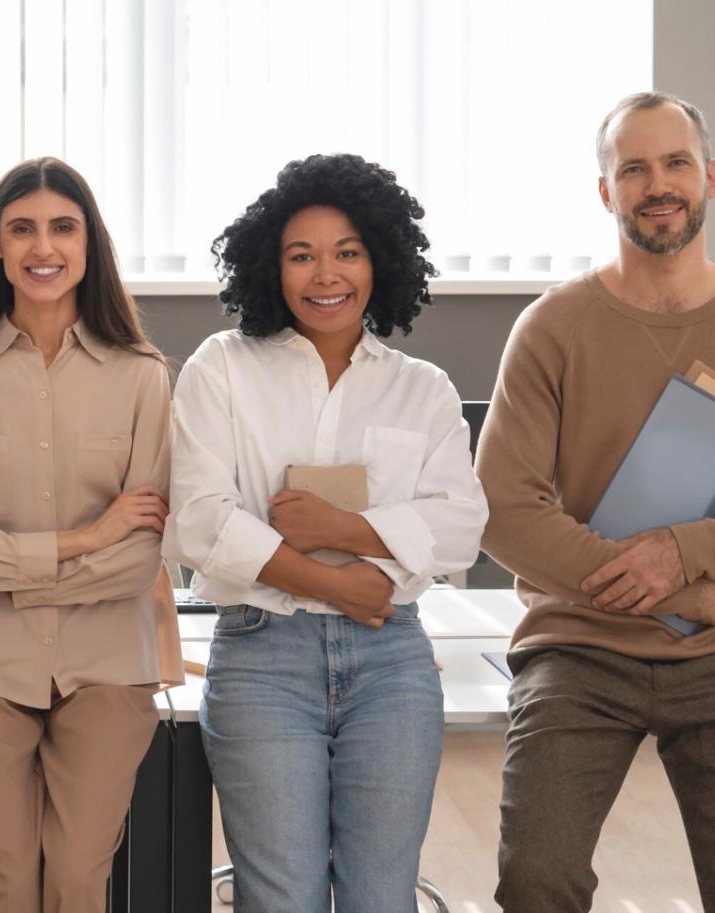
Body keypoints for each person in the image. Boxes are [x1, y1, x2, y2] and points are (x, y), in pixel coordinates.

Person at [476, 92, 715, 912]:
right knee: (535, 879)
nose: (657, 185)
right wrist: (672, 587)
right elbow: (503, 510)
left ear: (710, 177)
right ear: (605, 191)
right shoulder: (551, 326)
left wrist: (690, 551)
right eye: (633, 169)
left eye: (675, 163)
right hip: (577, 649)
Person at [163, 153, 488, 912]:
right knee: (282, 897)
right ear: (269, 267)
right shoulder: (222, 368)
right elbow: (201, 520)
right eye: (300, 255)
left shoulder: (423, 388)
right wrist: (340, 582)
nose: (325, 274)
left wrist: (341, 527)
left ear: (380, 260)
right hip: (261, 656)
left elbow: (461, 527)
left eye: (347, 251)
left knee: (382, 897)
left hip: (391, 662)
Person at [0, 156, 181, 913]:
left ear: (90, 243)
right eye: (21, 229)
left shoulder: (142, 376)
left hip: (106, 663)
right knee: (3, 881)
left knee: (76, 879)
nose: (43, 247)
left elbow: (137, 564)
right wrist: (84, 537)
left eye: (63, 227)